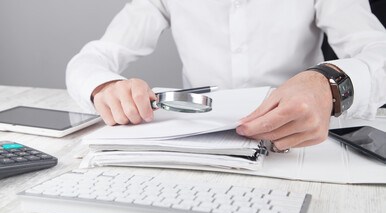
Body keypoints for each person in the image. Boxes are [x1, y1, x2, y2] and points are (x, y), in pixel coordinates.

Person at [66, 0, 386, 151]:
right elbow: (91, 59)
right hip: (197, 146)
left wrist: (328, 83)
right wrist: (106, 86)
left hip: (297, 145)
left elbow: (379, 52)